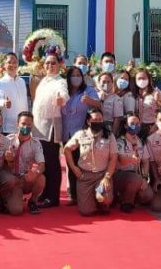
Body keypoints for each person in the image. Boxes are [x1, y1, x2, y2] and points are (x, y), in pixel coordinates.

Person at [64, 108, 118, 216]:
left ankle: (101, 200)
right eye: (95, 119)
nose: (98, 122)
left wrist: (107, 177)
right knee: (86, 212)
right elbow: (66, 149)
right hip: (85, 177)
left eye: (100, 119)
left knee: (104, 198)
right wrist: (74, 168)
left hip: (101, 176)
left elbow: (114, 157)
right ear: (88, 121)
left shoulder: (109, 136)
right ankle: (94, 200)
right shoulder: (81, 134)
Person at [31, 53, 69, 208]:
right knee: (43, 162)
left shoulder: (60, 81)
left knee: (52, 162)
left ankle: (53, 197)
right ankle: (45, 194)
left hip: (51, 126)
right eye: (47, 63)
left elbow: (63, 93)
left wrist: (62, 99)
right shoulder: (43, 81)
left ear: (59, 65)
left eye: (53, 63)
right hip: (38, 126)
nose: (50, 66)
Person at [62, 65, 101, 205]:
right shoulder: (64, 91)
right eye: (73, 75)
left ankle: (85, 195)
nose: (76, 78)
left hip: (82, 135)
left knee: (82, 164)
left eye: (78, 75)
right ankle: (73, 195)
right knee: (71, 165)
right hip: (66, 133)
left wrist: (89, 101)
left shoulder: (88, 90)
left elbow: (99, 104)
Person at [4, 111, 46, 214]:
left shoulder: (36, 143)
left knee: (41, 178)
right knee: (16, 210)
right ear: (17, 124)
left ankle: (33, 201)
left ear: (32, 125)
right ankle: (3, 197)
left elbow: (42, 164)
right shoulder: (7, 140)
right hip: (12, 181)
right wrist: (8, 159)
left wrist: (35, 174)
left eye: (29, 124)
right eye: (23, 124)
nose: (26, 127)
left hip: (26, 179)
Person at [113, 112, 153, 212]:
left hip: (136, 176)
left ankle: (127, 195)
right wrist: (132, 159)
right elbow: (121, 160)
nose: (135, 126)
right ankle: (127, 203)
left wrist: (144, 177)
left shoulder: (140, 141)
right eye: (132, 123)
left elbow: (146, 161)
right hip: (119, 175)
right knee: (135, 179)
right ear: (126, 125)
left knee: (148, 196)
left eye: (137, 123)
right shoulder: (120, 141)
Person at [0, 52, 29, 135]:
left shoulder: (22, 81)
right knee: (10, 148)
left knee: (23, 147)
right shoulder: (2, 82)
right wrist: (4, 103)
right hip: (8, 127)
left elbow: (25, 103)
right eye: (9, 62)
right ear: (4, 65)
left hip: (23, 126)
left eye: (14, 62)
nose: (12, 65)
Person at [131, 68, 161, 137]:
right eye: (139, 78)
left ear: (149, 79)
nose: (142, 80)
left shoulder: (156, 92)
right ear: (135, 80)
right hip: (137, 127)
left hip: (152, 127)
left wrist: (156, 126)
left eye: (144, 78)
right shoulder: (133, 94)